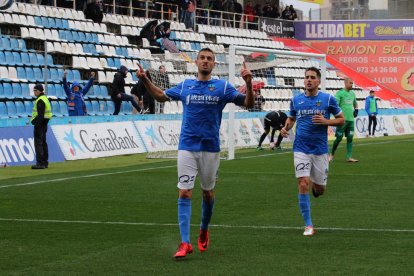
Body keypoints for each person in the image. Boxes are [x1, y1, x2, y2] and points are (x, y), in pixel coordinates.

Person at [135, 48, 254, 258]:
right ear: (196, 62)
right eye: (202, 58)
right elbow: (161, 96)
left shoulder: (222, 87)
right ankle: (184, 243)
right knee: (184, 191)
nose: (205, 62)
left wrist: (250, 84)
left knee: (207, 192)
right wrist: (145, 80)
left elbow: (247, 103)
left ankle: (204, 228)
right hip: (187, 146)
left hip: (210, 148)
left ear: (214, 64)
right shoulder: (185, 86)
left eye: (209, 59)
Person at [280, 67, 344, 236]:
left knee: (320, 189)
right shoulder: (296, 100)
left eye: (312, 77)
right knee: (302, 183)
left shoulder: (328, 99)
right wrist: (286, 128)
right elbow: (292, 118)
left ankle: (318, 187)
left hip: (320, 150)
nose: (308, 80)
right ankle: (308, 225)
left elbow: (341, 120)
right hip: (301, 148)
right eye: (306, 77)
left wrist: (325, 121)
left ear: (318, 81)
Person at [329, 78, 359, 162]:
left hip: (351, 121)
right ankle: (331, 155)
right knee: (339, 138)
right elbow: (335, 105)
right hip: (342, 120)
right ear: (345, 83)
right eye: (350, 83)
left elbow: (355, 103)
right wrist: (337, 116)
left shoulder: (353, 94)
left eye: (352, 83)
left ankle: (349, 157)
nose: (351, 84)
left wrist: (356, 110)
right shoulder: (340, 93)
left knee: (350, 138)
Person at [31, 84, 53, 169]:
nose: (34, 92)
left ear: (40, 91)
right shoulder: (45, 99)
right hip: (44, 124)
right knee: (43, 143)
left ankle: (40, 163)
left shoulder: (40, 100)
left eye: (36, 90)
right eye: (34, 90)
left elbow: (40, 115)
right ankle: (45, 162)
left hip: (40, 124)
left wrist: (37, 124)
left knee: (38, 144)